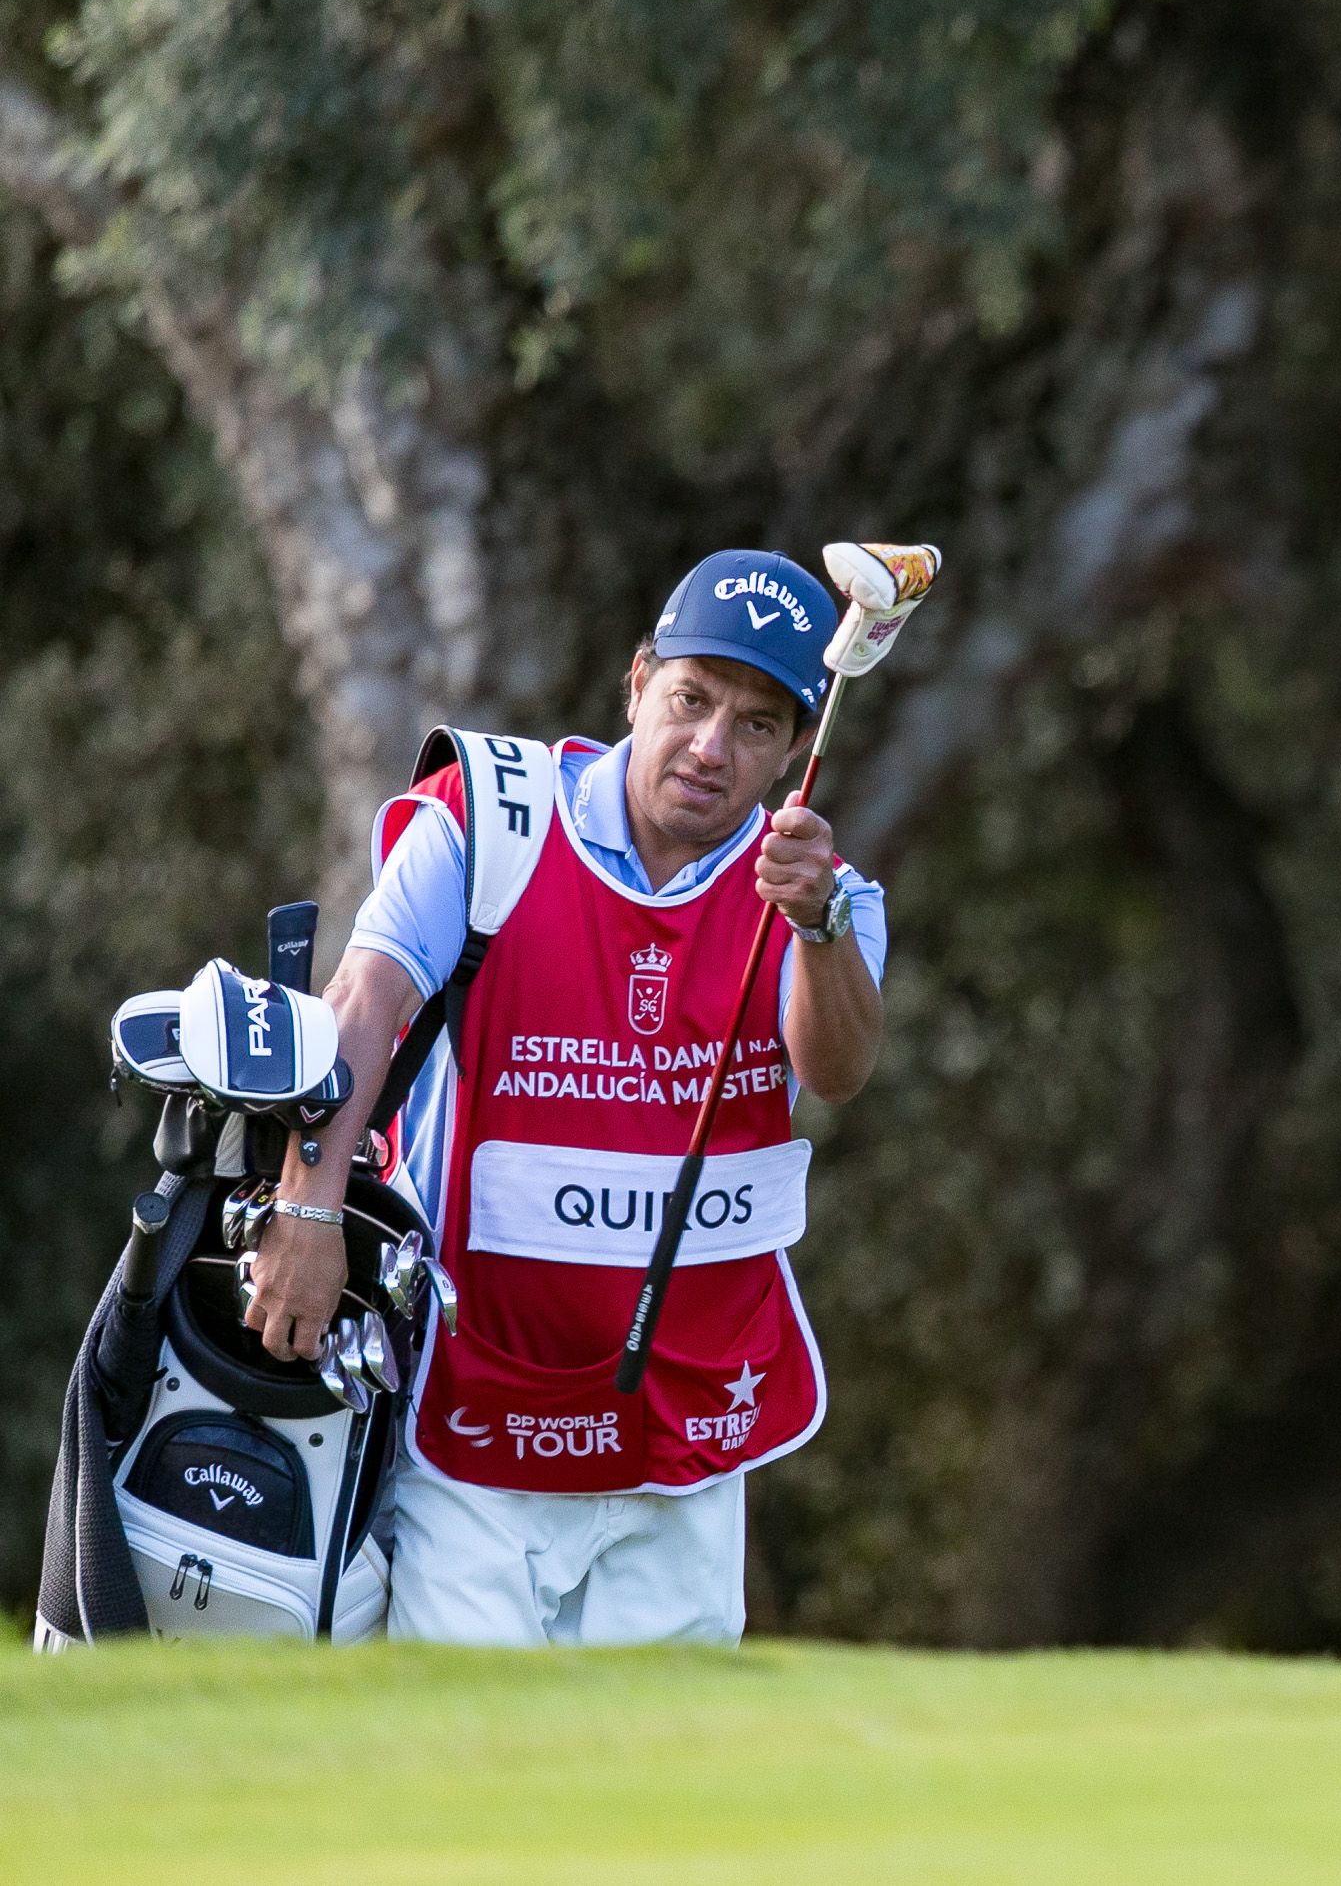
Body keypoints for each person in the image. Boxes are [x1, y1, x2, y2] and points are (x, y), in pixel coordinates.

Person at [238, 549, 890, 1645]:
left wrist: (814, 924)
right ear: (639, 683)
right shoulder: (488, 820)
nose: (710, 748)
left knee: (658, 1788)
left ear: (791, 752)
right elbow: (362, 998)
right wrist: (305, 1206)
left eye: (758, 725)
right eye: (692, 700)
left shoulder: (819, 893)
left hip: (690, 1422)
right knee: (463, 1770)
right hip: (479, 1403)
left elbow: (836, 1069)